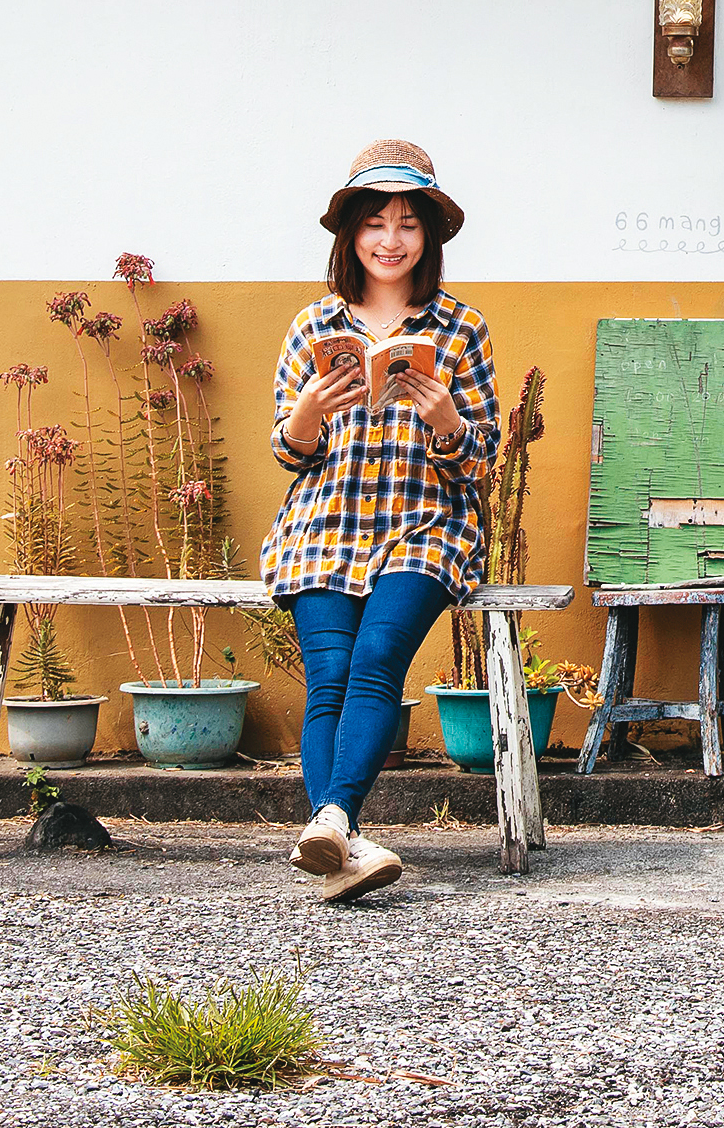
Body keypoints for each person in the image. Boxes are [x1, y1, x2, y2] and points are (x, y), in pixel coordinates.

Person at [264, 139, 498, 896]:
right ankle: (342, 843)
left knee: (374, 665)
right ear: (350, 235)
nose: (390, 240)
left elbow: (482, 454)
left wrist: (448, 424)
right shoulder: (312, 326)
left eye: (406, 223)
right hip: (323, 523)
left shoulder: (462, 328)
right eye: (374, 222)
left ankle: (331, 820)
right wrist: (305, 413)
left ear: (427, 236)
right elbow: (291, 454)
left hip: (427, 524)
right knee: (327, 675)